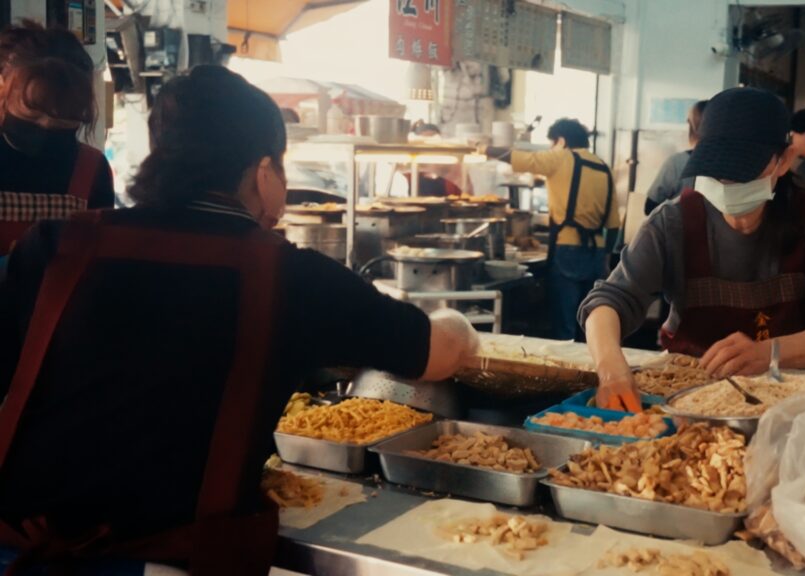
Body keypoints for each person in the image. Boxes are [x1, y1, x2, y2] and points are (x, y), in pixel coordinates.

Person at [0, 66, 478, 575]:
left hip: (17, 550)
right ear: (264, 170)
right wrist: (457, 320)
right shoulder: (290, 275)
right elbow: (437, 355)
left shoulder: (57, 244)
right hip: (163, 561)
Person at [580, 88, 805, 412]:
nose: (727, 184)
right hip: (688, 403)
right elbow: (608, 301)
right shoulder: (672, 222)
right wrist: (611, 368)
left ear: (784, 161)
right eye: (716, 171)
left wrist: (771, 353)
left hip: (791, 405)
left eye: (743, 172)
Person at [485, 118, 620, 340]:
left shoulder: (562, 157)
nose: (550, 149)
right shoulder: (603, 167)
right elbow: (614, 224)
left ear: (561, 141)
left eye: (551, 143)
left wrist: (484, 148)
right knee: (588, 323)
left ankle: (564, 370)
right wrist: (606, 257)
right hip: (596, 253)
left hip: (568, 250)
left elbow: (520, 158)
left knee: (564, 324)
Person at [0, 22, 114, 257]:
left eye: (64, 119)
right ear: (4, 91)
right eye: (32, 113)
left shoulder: (91, 169)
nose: (46, 125)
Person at [645, 100, 708, 215]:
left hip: (678, 231)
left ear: (691, 126)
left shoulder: (676, 163)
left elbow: (649, 207)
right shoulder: (731, 166)